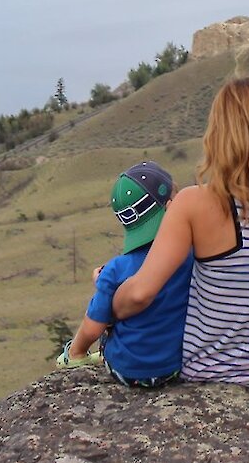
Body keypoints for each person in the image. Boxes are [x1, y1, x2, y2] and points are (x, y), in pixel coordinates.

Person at [113, 76, 249, 392]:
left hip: (209, 368)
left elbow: (140, 294)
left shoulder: (193, 202)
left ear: (221, 135)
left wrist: (111, 308)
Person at [57, 161, 194, 387]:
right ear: (170, 207)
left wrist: (77, 352)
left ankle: (77, 358)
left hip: (126, 371)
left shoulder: (114, 270)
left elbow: (93, 327)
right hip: (175, 367)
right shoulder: (189, 254)